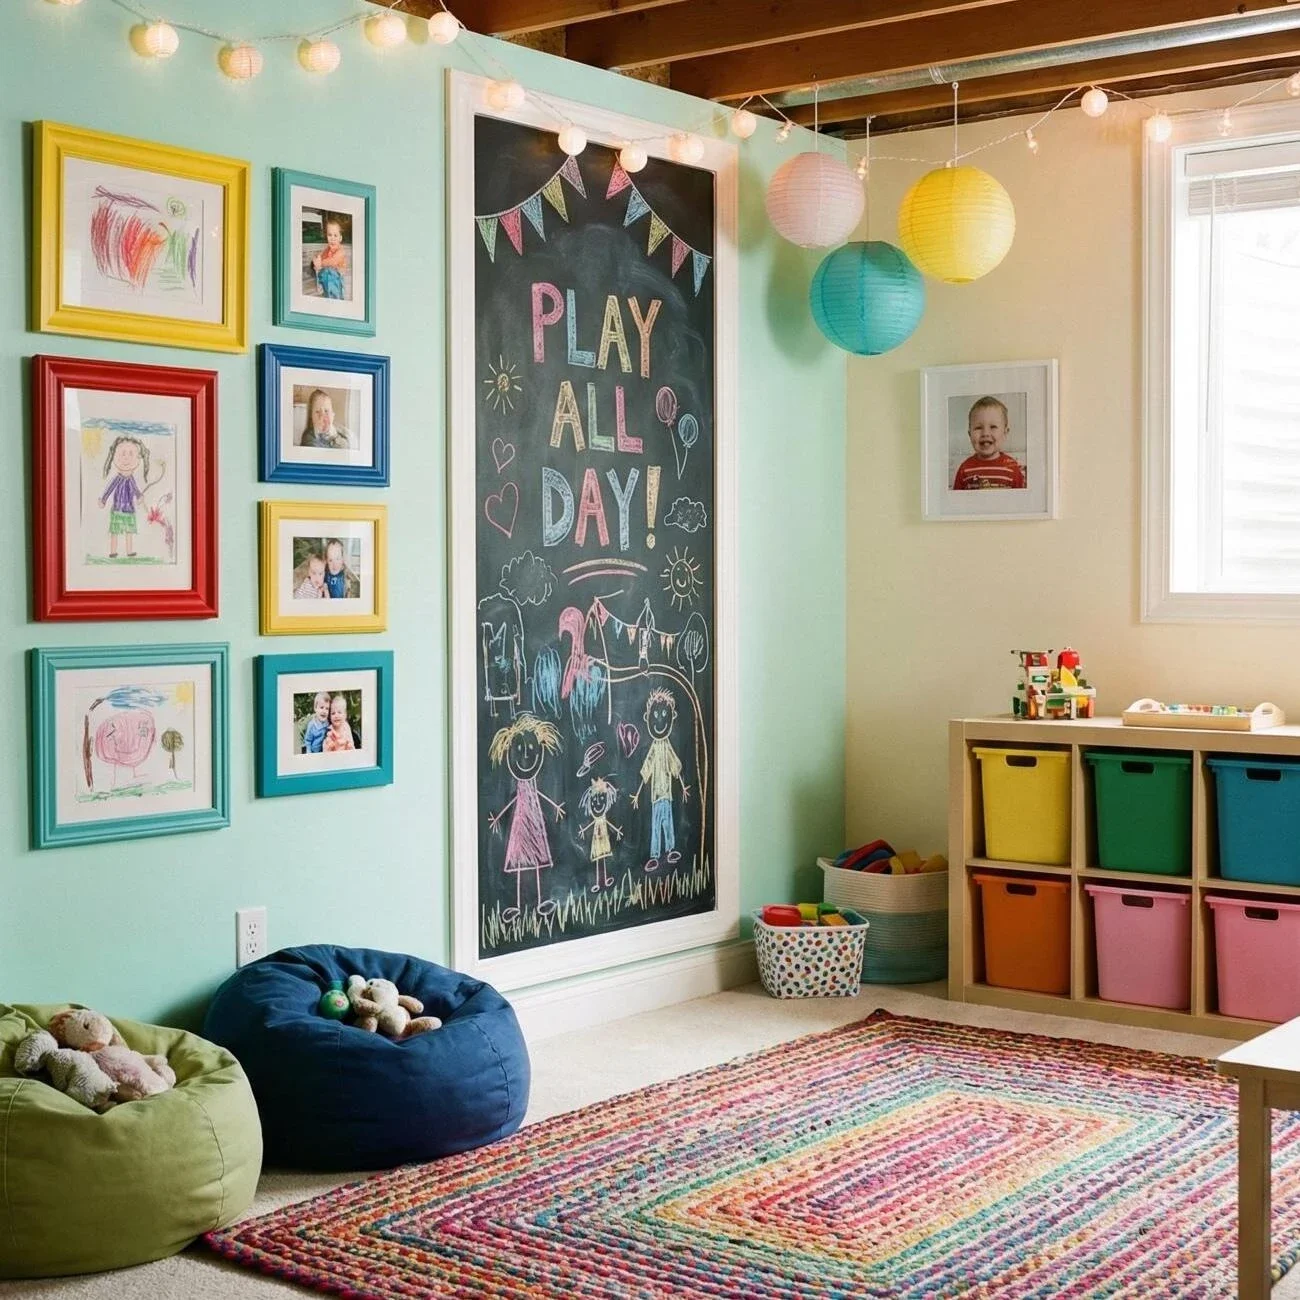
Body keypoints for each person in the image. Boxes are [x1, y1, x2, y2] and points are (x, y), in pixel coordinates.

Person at [487, 713, 565, 923]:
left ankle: (541, 902)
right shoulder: (520, 787)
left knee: (537, 861)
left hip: (534, 823)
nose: (525, 758)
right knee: (521, 864)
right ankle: (518, 906)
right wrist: (498, 818)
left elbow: (538, 796)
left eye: (531, 751)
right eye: (519, 751)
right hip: (521, 825)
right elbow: (514, 803)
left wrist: (555, 806)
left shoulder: (531, 785)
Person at [631, 687, 690, 872]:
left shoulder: (667, 746)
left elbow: (675, 766)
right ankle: (655, 855)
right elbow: (646, 770)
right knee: (656, 825)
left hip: (667, 794)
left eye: (665, 714)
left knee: (668, 822)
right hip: (656, 795)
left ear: (672, 717)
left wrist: (682, 786)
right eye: (655, 715)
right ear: (647, 718)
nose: (659, 720)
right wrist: (638, 793)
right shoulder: (655, 748)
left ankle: (670, 849)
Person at [952, 396, 1026, 491]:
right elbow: (954, 503)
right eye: (978, 427)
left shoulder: (1013, 468)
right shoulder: (964, 469)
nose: (985, 433)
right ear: (969, 434)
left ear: (1005, 432)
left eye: (993, 427)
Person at [98, 435, 152, 559]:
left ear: (138, 459)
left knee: (129, 531)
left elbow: (136, 490)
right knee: (115, 531)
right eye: (122, 454)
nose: (126, 458)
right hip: (117, 509)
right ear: (114, 457)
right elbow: (109, 489)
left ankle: (129, 551)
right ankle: (113, 552)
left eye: (131, 454)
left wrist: (139, 497)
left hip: (129, 510)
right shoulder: (117, 479)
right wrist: (103, 500)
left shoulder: (132, 480)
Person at [578, 777, 623, 893]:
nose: (597, 803)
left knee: (603, 856)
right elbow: (593, 823)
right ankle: (598, 881)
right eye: (593, 801)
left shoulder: (603, 818)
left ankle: (606, 878)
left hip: (603, 837)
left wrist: (617, 830)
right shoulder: (598, 819)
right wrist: (584, 830)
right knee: (599, 858)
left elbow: (607, 823)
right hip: (597, 838)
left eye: (602, 799)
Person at [312, 216, 348, 299]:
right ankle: (325, 292)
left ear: (340, 238)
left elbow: (333, 261)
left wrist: (320, 263)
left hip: (338, 280)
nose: (332, 238)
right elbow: (320, 257)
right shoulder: (327, 249)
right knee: (323, 272)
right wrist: (316, 261)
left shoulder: (341, 251)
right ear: (326, 236)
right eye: (330, 235)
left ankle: (335, 298)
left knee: (329, 271)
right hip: (328, 279)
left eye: (335, 235)